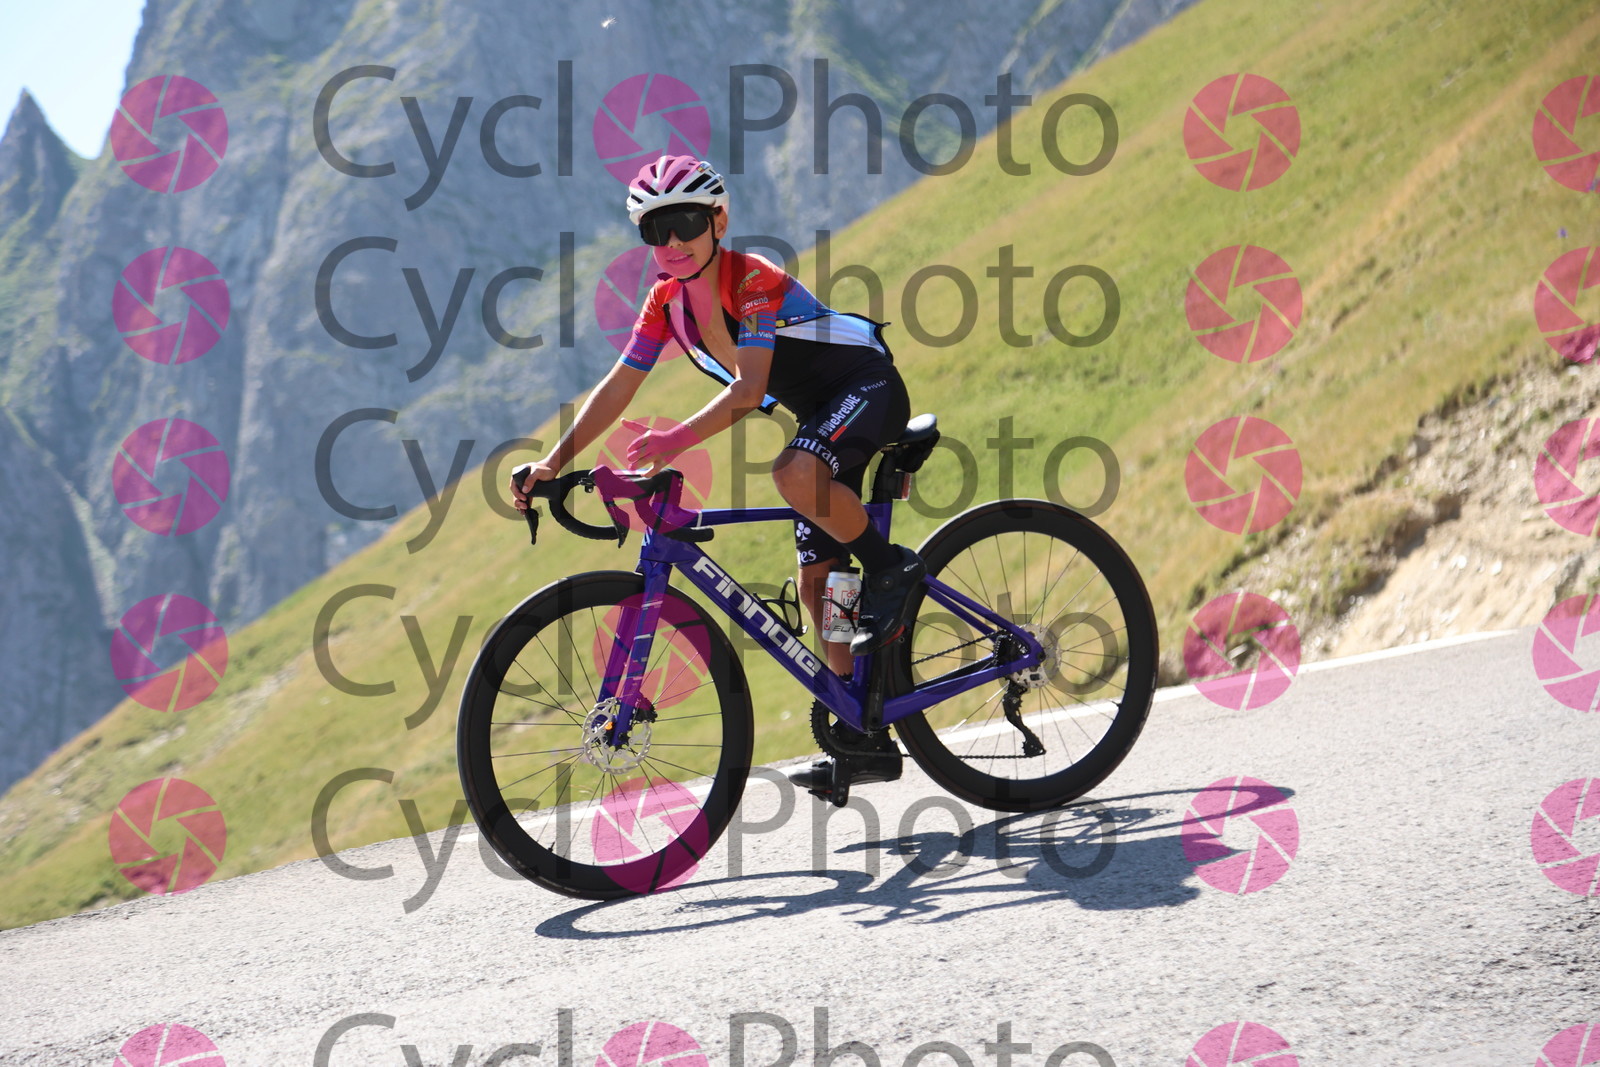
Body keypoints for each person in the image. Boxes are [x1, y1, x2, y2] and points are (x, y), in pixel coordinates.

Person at [510, 154, 920, 796]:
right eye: (656, 229)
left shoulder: (752, 279)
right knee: (821, 582)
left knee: (793, 471)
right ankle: (863, 731)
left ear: (718, 222)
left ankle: (893, 569)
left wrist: (674, 438)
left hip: (866, 387)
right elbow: (618, 386)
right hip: (821, 414)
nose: (672, 241)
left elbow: (749, 390)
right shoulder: (665, 302)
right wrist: (552, 462)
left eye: (686, 223)